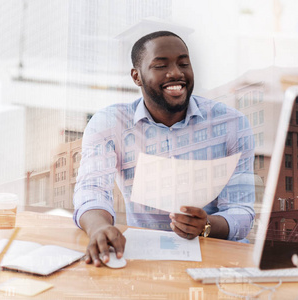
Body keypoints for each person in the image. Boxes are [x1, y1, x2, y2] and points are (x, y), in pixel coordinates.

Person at [73, 31, 255, 267]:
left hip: (217, 257)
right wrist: (99, 227)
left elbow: (242, 210)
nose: (176, 73)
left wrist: (206, 225)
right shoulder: (110, 123)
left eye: (184, 64)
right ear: (136, 77)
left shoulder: (231, 124)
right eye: (160, 65)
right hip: (146, 258)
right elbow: (92, 189)